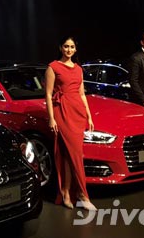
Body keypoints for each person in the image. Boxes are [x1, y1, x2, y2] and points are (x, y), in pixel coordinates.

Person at [44, 36, 96, 211]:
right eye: (66, 46)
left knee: (68, 156)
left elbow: (82, 94)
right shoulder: (53, 67)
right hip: (62, 111)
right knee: (76, 155)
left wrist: (89, 116)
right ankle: (83, 194)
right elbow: (48, 94)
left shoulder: (79, 69)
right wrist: (51, 118)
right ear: (61, 48)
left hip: (77, 112)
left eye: (72, 47)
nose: (69, 50)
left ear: (75, 49)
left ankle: (66, 192)